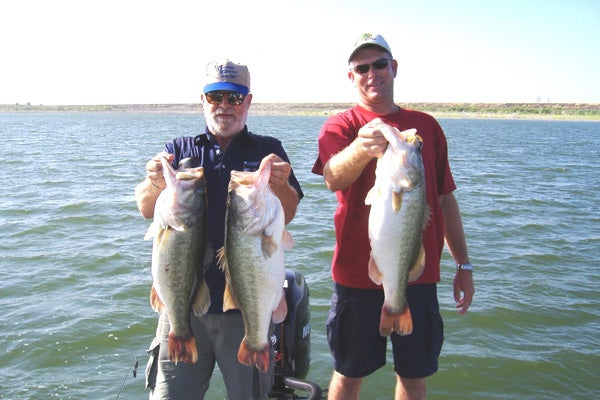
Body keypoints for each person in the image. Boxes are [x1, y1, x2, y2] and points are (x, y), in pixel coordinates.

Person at [311, 33, 475, 399]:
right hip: (355, 275)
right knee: (348, 374)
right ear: (351, 76)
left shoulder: (427, 127)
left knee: (414, 377)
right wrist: (361, 148)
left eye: (380, 64)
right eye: (362, 68)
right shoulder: (341, 125)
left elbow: (445, 200)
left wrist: (463, 265)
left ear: (394, 67)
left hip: (415, 276)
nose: (372, 73)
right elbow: (332, 177)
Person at [135, 59, 304, 400]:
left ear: (248, 101)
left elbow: (289, 211)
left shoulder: (266, 149)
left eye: (234, 98)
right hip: (181, 304)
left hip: (243, 308)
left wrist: (282, 184)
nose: (225, 106)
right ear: (203, 100)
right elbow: (145, 207)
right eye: (216, 97)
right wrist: (155, 181)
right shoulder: (180, 149)